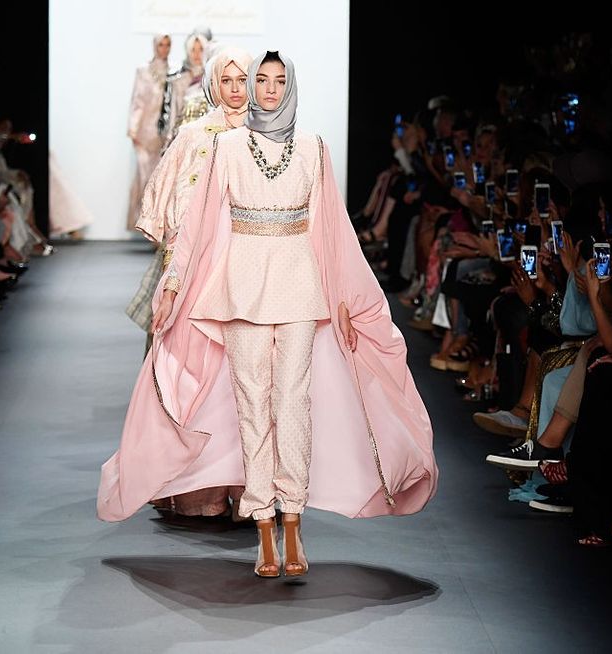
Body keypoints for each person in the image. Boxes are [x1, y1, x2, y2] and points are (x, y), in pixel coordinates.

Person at [99, 51, 437, 579]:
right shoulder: (226, 148)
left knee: (294, 405)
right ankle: (262, 527)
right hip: (239, 290)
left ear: (290, 85)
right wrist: (173, 282)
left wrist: (346, 297)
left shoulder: (314, 149)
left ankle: (294, 522)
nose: (270, 88)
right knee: (253, 406)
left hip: (301, 289)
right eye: (263, 79)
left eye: (279, 80)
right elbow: (201, 228)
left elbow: (333, 232)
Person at [126, 44, 254, 519]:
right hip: (198, 266)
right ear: (214, 84)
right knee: (196, 374)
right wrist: (179, 261)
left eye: (244, 80)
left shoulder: (269, 135)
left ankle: (247, 489)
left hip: (250, 270)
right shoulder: (195, 134)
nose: (237, 90)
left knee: (245, 378)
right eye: (229, 80)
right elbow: (172, 197)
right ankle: (196, 489)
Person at [126, 34, 172, 232]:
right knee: (145, 178)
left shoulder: (174, 71)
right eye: (161, 44)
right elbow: (137, 101)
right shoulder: (143, 70)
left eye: (167, 45)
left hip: (165, 135)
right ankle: (144, 224)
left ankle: (157, 227)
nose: (164, 48)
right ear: (155, 45)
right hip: (145, 135)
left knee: (162, 180)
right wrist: (133, 129)